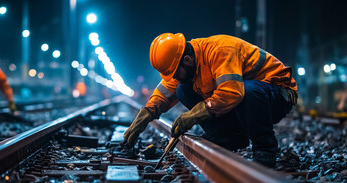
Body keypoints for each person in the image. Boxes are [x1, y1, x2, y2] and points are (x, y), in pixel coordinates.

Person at [123, 33, 298, 167]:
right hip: (251, 100)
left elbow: (232, 93)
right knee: (182, 89)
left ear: (187, 59)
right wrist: (146, 114)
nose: (173, 77)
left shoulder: (220, 51)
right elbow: (164, 93)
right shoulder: (188, 63)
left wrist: (193, 115)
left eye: (175, 73)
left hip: (278, 93)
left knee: (248, 90)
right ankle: (230, 136)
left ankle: (264, 150)